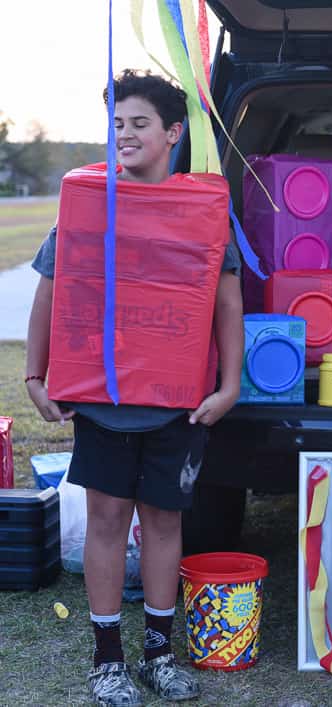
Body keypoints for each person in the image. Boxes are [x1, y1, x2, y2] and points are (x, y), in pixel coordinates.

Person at [24, 70, 244, 706]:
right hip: (103, 402)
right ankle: (107, 660)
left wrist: (229, 386)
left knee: (164, 523)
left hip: (175, 404)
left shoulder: (202, 213)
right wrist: (36, 376)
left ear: (174, 133)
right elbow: (50, 290)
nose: (124, 133)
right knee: (106, 521)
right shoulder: (87, 206)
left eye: (139, 123)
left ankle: (157, 653)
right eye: (116, 123)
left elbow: (227, 304)